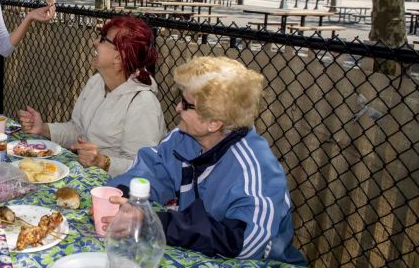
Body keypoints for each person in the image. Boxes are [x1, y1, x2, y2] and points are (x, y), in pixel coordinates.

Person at [106, 56, 306, 265]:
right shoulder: (184, 138)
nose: (177, 108)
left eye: (186, 104)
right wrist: (123, 197)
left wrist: (160, 222)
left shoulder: (255, 168)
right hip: (199, 253)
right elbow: (150, 171)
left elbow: (245, 242)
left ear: (214, 123)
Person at [18, 16, 165, 177]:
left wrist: (103, 162)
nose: (95, 42)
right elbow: (77, 130)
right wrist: (44, 128)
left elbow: (144, 167)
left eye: (103, 39)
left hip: (116, 190)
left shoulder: (142, 103)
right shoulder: (96, 82)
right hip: (85, 175)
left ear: (119, 56)